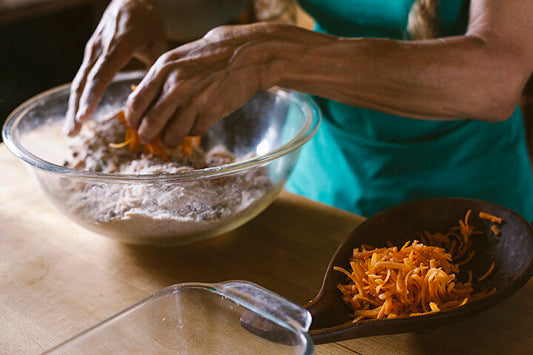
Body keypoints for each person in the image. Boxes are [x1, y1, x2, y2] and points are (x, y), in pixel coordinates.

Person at [63, 0, 533, 220]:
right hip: (314, 191)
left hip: (467, 202)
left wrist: (273, 54)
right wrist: (150, 7)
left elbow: (495, 74)